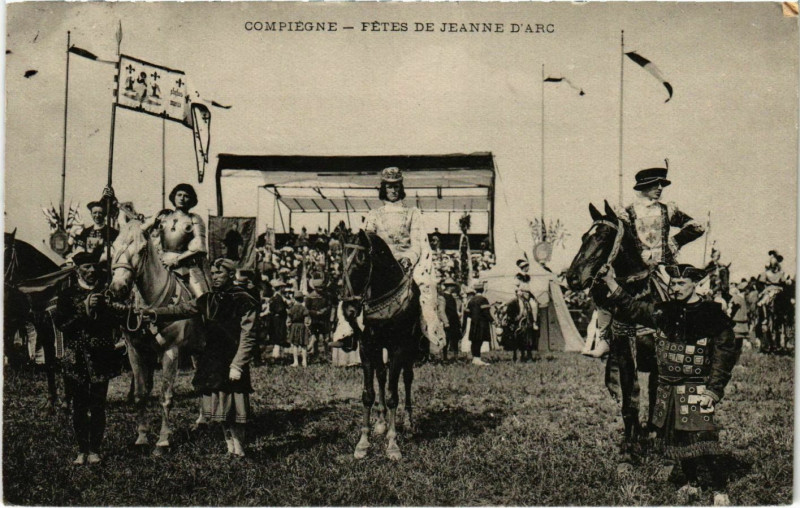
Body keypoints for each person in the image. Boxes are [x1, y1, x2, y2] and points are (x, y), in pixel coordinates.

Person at [594, 263, 739, 505]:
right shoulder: (664, 311)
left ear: (695, 284)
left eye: (681, 283)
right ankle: (692, 483)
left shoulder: (712, 313)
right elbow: (632, 308)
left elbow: (725, 352)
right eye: (673, 283)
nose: (675, 288)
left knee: (703, 441)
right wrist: (610, 281)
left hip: (696, 387)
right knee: (676, 440)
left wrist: (714, 390)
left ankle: (719, 489)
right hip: (667, 388)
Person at [145, 258, 257, 457]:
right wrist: (154, 313)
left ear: (231, 275)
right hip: (213, 361)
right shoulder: (208, 299)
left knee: (234, 409)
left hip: (231, 360)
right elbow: (181, 309)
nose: (214, 277)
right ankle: (229, 449)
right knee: (221, 408)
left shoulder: (243, 299)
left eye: (219, 273)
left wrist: (238, 364)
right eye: (213, 273)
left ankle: (239, 450)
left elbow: (248, 335)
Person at [359, 167, 446, 352]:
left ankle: (427, 331)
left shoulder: (413, 213)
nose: (393, 190)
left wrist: (408, 259)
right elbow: (367, 240)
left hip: (405, 263)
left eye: (396, 186)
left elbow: (418, 242)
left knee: (424, 287)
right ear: (384, 188)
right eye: (389, 187)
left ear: (401, 188)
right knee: (355, 286)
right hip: (380, 264)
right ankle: (348, 332)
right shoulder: (374, 214)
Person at [53, 251, 126, 465]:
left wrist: (108, 308)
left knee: (98, 405)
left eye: (94, 266)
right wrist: (84, 310)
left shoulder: (106, 291)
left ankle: (95, 449)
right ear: (77, 270)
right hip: (75, 358)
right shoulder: (67, 295)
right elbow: (62, 325)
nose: (92, 271)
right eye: (86, 267)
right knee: (79, 406)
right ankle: (81, 449)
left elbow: (114, 321)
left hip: (101, 357)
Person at [104, 183, 209, 298]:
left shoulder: (194, 219)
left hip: (187, 267)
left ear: (191, 200)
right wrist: (115, 202)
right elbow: (141, 226)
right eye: (179, 195)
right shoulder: (163, 216)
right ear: (174, 197)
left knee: (202, 299)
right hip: (162, 264)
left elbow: (200, 248)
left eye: (186, 196)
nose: (182, 198)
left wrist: (176, 261)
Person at [505, 283, 539, 362]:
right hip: (517, 322)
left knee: (534, 305)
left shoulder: (529, 299)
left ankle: (534, 321)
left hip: (527, 321)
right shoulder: (515, 300)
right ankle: (517, 356)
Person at [466, 282, 493, 366]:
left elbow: (467, 313)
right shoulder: (483, 299)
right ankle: (477, 358)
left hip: (473, 323)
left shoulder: (471, 300)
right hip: (482, 324)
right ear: (483, 290)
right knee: (479, 341)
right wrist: (492, 321)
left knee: (474, 341)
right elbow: (486, 313)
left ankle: (475, 358)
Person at [305, 279, 330, 360]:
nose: (321, 290)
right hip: (314, 320)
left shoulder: (326, 296)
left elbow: (329, 306)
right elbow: (306, 309)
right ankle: (315, 355)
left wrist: (324, 310)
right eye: (319, 288)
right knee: (315, 339)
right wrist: (315, 313)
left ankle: (327, 355)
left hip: (324, 320)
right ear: (315, 288)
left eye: (322, 288)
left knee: (326, 339)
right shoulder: (310, 297)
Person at [439, 278, 462, 362]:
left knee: (455, 339)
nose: (454, 288)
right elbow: (441, 311)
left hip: (454, 322)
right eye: (453, 286)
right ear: (449, 287)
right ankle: (444, 358)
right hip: (448, 322)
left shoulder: (452, 297)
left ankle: (456, 357)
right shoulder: (442, 297)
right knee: (446, 340)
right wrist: (446, 322)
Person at [286, 292, 310, 367]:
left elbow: (288, 321)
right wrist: (307, 326)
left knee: (295, 345)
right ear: (302, 299)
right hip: (302, 326)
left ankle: (295, 361)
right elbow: (307, 320)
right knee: (304, 345)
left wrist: (289, 327)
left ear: (294, 299)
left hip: (294, 326)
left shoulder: (291, 309)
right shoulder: (304, 308)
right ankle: (304, 361)